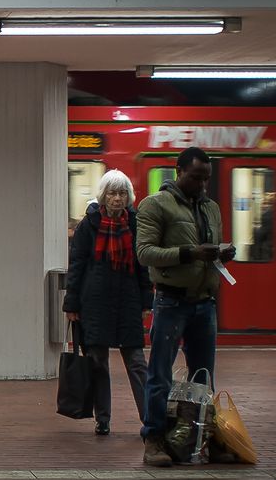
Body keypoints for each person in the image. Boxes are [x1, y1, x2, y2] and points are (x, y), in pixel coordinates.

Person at [136, 147, 235, 467]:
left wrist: (221, 254)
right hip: (170, 301)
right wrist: (191, 253)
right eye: (196, 178)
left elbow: (207, 249)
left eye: (206, 179)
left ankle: (204, 438)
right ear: (178, 172)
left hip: (205, 303)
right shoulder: (155, 205)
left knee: (203, 378)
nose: (203, 185)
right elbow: (146, 253)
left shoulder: (211, 208)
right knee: (160, 374)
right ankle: (153, 438)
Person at [63, 170, 151, 436]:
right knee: (98, 361)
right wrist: (72, 305)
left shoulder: (135, 224)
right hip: (95, 304)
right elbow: (76, 266)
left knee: (136, 361)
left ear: (129, 197)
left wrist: (147, 299)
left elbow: (142, 266)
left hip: (127, 302)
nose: (117, 199)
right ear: (103, 196)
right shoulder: (88, 225)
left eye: (122, 193)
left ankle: (151, 419)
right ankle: (103, 419)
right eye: (112, 193)